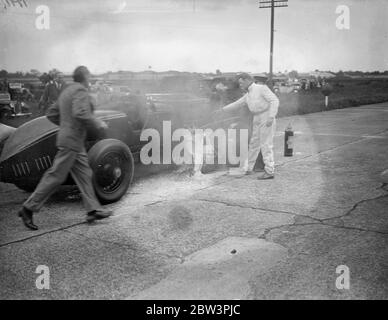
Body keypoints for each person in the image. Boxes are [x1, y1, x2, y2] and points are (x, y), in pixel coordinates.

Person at [18, 66, 113, 231]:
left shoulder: (66, 92)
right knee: (56, 176)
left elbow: (51, 114)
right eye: (89, 77)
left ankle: (93, 210)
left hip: (71, 140)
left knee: (85, 174)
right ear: (84, 77)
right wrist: (99, 123)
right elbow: (80, 113)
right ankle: (28, 208)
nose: (90, 80)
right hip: (72, 141)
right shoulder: (81, 91)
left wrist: (65, 126)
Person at [221, 73, 279, 179]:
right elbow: (237, 104)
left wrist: (271, 116)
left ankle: (270, 171)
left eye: (241, 83)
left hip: (266, 116)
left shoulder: (261, 88)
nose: (240, 85)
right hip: (257, 117)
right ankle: (248, 168)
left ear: (247, 80)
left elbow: (274, 100)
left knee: (266, 144)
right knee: (254, 144)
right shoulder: (248, 94)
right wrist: (222, 110)